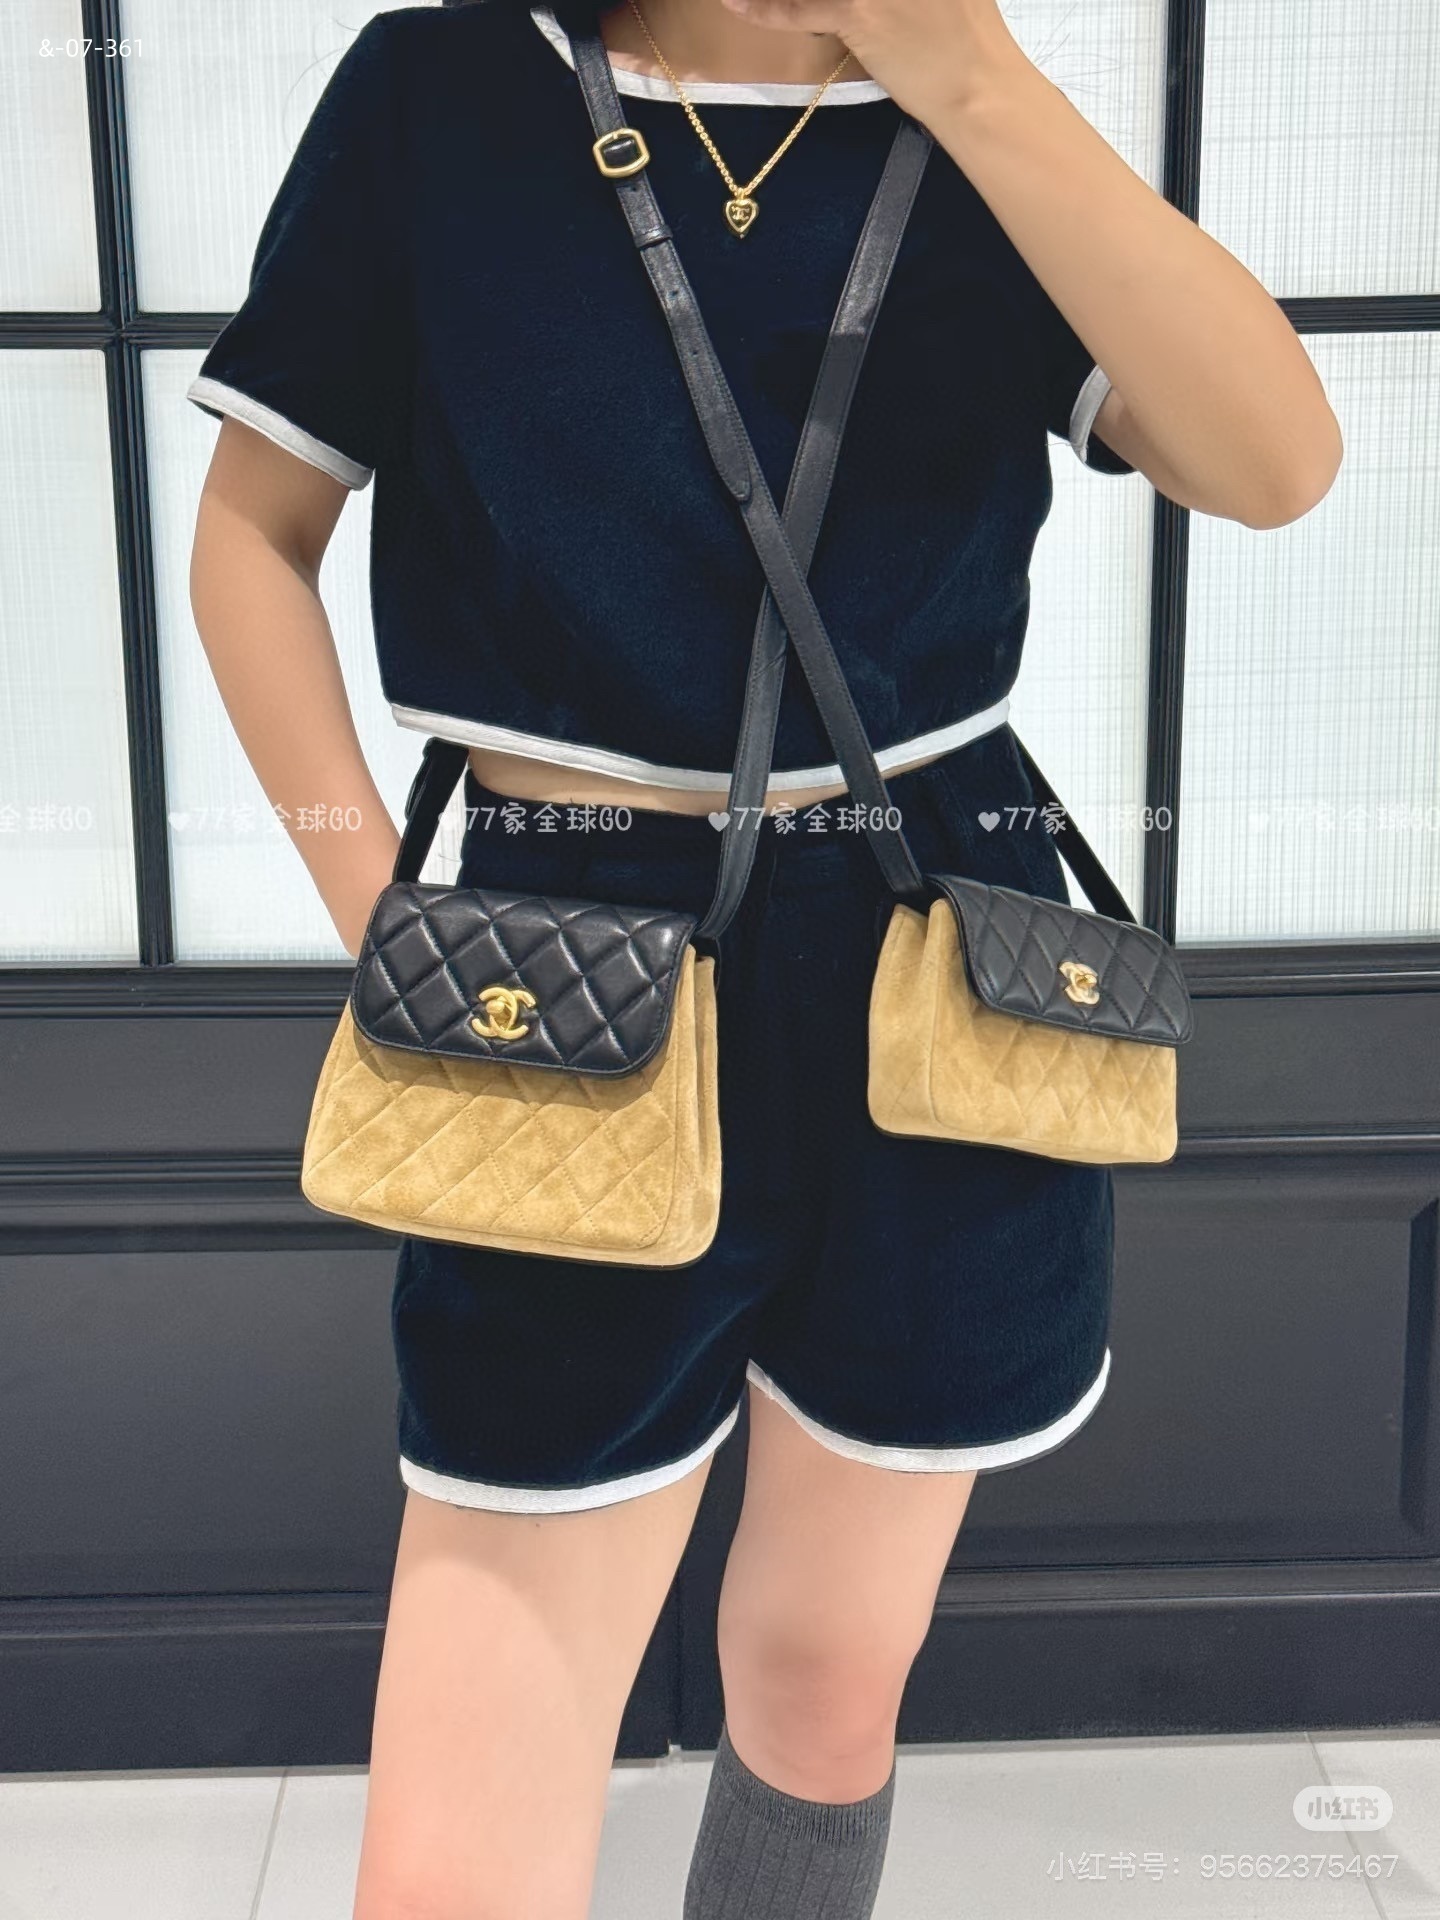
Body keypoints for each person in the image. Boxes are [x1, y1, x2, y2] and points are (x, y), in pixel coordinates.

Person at [186, 0, 1340, 1912]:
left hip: (947, 944)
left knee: (824, 1679)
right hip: (569, 940)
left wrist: (971, 77)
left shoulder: (975, 117)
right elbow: (254, 537)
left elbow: (1276, 463)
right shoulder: (442, 87)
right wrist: (375, 921)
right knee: (458, 1849)